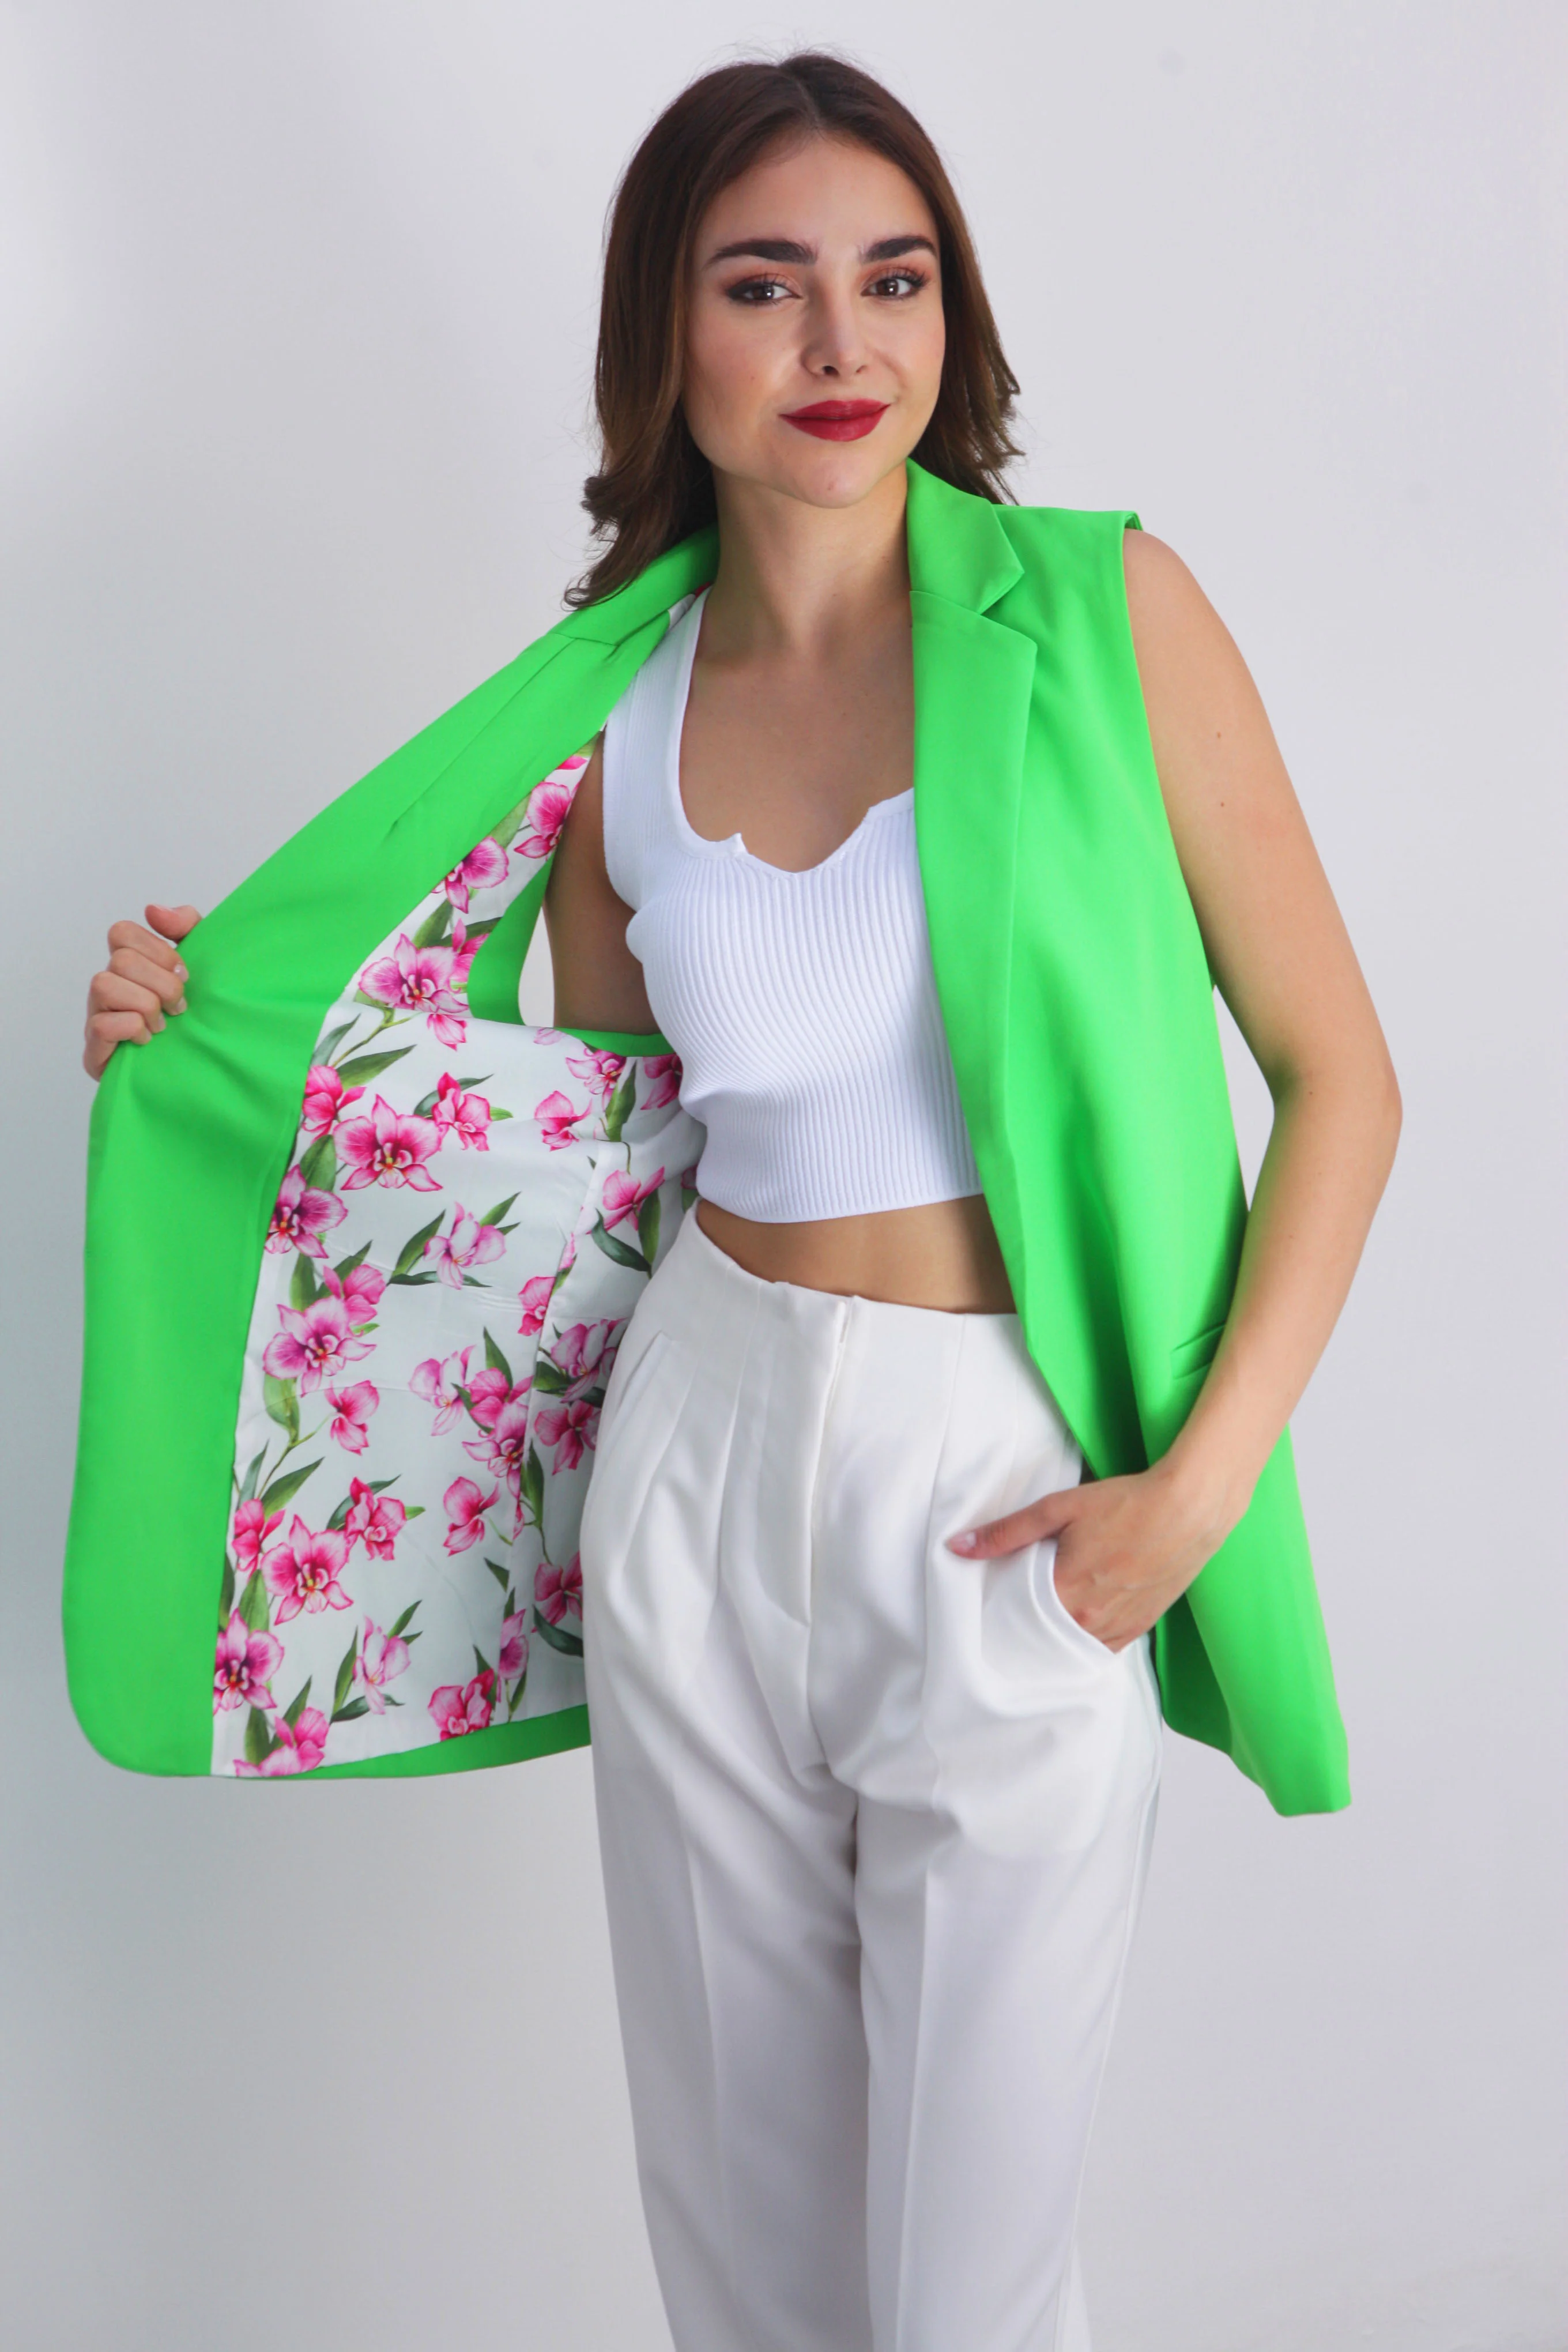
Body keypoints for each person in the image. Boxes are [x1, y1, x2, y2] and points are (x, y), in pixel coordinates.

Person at [78, 51, 1401, 2352]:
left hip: (1007, 1484)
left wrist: (1186, 1502)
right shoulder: (609, 720)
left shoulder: (1103, 615)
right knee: (749, 2272)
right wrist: (206, 1028)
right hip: (694, 1444)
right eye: (763, 285)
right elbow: (575, 1142)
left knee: (973, 2287)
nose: (839, 342)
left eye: (894, 279)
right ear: (664, 339)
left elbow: (1339, 1077)